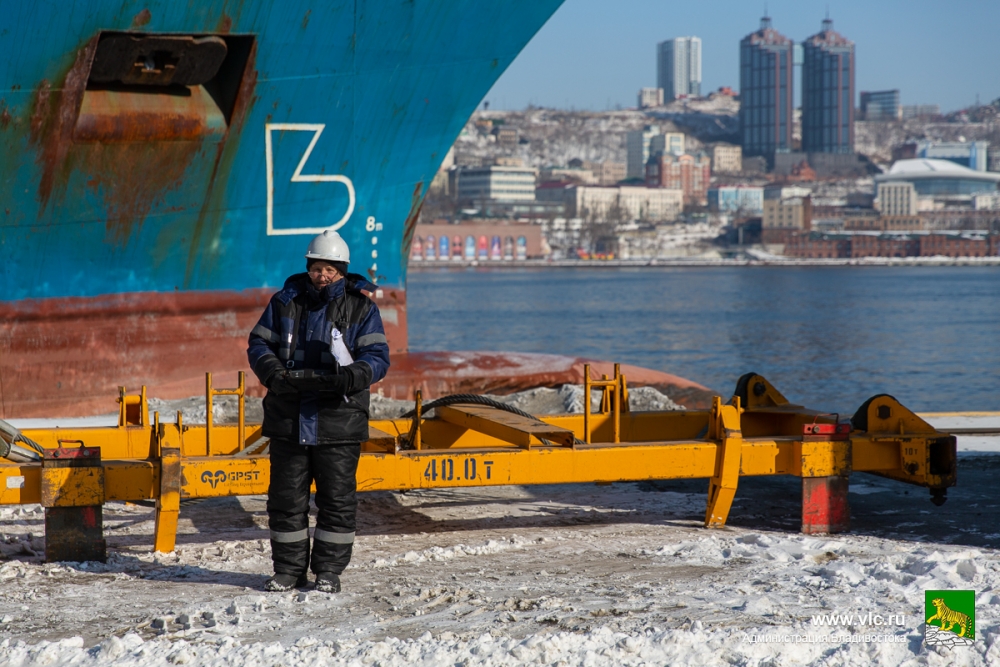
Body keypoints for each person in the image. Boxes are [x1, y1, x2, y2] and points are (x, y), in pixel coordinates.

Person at [247, 230, 390, 593]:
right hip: (288, 421)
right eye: (316, 268)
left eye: (330, 269)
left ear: (342, 271)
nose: (322, 276)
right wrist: (273, 374)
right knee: (285, 500)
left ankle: (328, 571)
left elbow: (378, 357)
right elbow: (259, 343)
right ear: (308, 268)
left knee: (337, 501)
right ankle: (288, 572)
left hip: (338, 422)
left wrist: (355, 375)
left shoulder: (362, 308)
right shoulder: (284, 302)